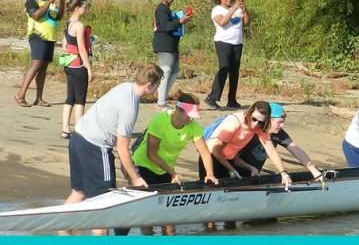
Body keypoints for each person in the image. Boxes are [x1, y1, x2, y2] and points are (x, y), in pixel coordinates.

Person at [58, 63, 163, 236]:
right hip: (95, 147)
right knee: (104, 206)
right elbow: (122, 148)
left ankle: (63, 231)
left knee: (79, 192)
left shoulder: (125, 87)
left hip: (77, 138)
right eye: (158, 86)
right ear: (150, 85)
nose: (157, 89)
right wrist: (136, 179)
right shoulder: (130, 106)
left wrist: (126, 167)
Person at [130, 90, 220, 236]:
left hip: (166, 168)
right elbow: (151, 153)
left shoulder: (193, 126)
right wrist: (172, 173)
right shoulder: (160, 120)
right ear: (179, 109)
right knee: (148, 214)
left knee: (169, 218)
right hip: (144, 164)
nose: (191, 119)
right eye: (189, 115)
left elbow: (204, 152)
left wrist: (210, 174)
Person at [201, 101, 292, 230]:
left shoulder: (260, 127)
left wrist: (283, 173)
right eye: (254, 119)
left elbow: (271, 151)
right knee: (211, 203)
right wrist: (232, 170)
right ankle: (209, 231)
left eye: (260, 122)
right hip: (211, 157)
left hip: (228, 159)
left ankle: (230, 233)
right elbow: (216, 151)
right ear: (249, 113)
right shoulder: (234, 122)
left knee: (229, 208)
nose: (255, 125)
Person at [14, 0, 66, 108]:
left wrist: (62, 3)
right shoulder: (32, 0)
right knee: (36, 65)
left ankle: (39, 98)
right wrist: (51, 1)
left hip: (49, 37)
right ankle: (21, 95)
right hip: (37, 36)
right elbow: (36, 15)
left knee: (43, 68)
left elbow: (57, 17)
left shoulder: (49, 1)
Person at [235, 103, 323, 179]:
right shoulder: (252, 133)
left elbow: (297, 151)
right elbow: (234, 159)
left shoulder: (279, 133)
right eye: (279, 122)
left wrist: (314, 171)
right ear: (269, 120)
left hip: (253, 175)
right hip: (234, 173)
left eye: (283, 122)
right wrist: (251, 168)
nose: (282, 125)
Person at [204, 0, 250, 109]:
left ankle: (232, 100)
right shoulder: (217, 9)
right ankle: (212, 97)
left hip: (237, 43)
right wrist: (233, 9)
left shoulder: (237, 9)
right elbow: (222, 22)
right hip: (223, 43)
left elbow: (246, 22)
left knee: (234, 72)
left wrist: (244, 10)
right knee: (224, 68)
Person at [153, 0, 192, 110]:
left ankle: (163, 98)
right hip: (164, 44)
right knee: (165, 71)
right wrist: (180, 21)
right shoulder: (161, 9)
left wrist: (182, 19)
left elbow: (172, 25)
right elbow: (165, 26)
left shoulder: (168, 10)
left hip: (172, 45)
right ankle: (161, 102)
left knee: (174, 72)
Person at [60, 0, 94, 139]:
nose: (87, 9)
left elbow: (64, 46)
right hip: (79, 65)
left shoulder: (68, 23)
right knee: (80, 99)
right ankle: (79, 130)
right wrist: (89, 68)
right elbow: (81, 49)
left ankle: (65, 128)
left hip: (69, 64)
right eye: (85, 7)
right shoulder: (79, 26)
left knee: (70, 98)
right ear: (78, 8)